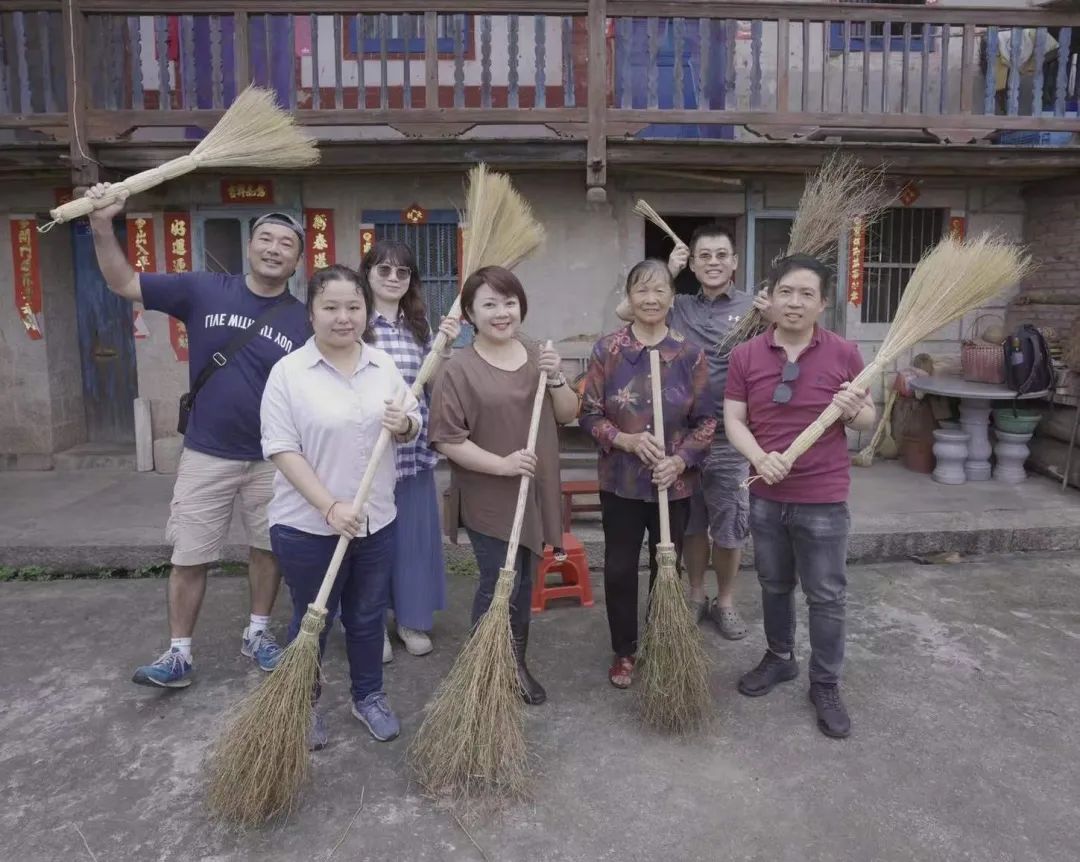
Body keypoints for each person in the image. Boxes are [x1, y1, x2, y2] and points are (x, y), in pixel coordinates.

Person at [84, 184, 312, 689]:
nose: (274, 249)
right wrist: (103, 226)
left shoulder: (304, 320)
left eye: (286, 244)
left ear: (298, 261)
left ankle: (258, 633)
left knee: (268, 548)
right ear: (250, 247)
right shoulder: (204, 289)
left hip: (274, 457)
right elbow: (123, 282)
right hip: (207, 452)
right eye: (266, 239)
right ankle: (178, 654)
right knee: (189, 553)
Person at [261, 265, 422, 747]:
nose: (343, 317)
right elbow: (281, 448)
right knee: (311, 618)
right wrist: (329, 506)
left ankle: (368, 696)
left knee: (368, 615)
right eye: (330, 307)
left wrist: (405, 425)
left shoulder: (382, 366)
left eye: (353, 307)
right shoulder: (288, 373)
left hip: (376, 520)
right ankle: (300, 704)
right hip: (307, 525)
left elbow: (413, 421)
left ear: (366, 311)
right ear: (311, 313)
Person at [723, 254, 875, 739]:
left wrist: (854, 412)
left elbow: (868, 419)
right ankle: (780, 657)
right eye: (786, 291)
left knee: (827, 595)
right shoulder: (746, 355)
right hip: (767, 494)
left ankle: (825, 682)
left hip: (824, 496)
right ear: (771, 297)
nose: (795, 302)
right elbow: (733, 419)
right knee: (773, 584)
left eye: (806, 294)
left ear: (823, 303)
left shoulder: (845, 353)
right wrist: (760, 458)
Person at [428, 265, 578, 705]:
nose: (501, 312)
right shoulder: (459, 368)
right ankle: (486, 667)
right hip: (489, 491)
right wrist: (502, 464)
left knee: (524, 581)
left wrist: (556, 377)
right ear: (470, 314)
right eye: (489, 304)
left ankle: (514, 662)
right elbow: (446, 439)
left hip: (534, 486)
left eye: (509, 302)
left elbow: (568, 413)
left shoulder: (537, 353)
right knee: (499, 581)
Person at [618, 223, 769, 641]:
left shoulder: (755, 307)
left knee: (729, 526)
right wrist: (667, 269)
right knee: (691, 525)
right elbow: (625, 312)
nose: (714, 262)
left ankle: (725, 603)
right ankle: (697, 596)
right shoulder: (678, 303)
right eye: (705, 255)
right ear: (693, 262)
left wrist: (772, 315)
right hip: (681, 438)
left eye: (722, 255)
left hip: (730, 438)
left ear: (735, 262)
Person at [582, 260, 716, 689]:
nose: (651, 298)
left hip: (671, 484)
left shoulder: (689, 354)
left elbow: (707, 422)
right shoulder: (608, 350)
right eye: (642, 290)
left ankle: (663, 643)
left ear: (672, 298)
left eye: (660, 290)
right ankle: (625, 650)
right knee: (620, 568)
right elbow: (588, 414)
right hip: (620, 481)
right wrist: (626, 440)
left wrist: (679, 460)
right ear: (629, 298)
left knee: (666, 567)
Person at [361, 240, 460, 662]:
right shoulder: (356, 323)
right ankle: (372, 626)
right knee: (370, 543)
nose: (393, 278)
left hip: (413, 451)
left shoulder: (417, 327)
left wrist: (444, 348)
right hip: (368, 453)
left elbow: (433, 387)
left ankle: (411, 620)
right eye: (383, 270)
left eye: (402, 272)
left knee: (413, 540)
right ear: (367, 274)